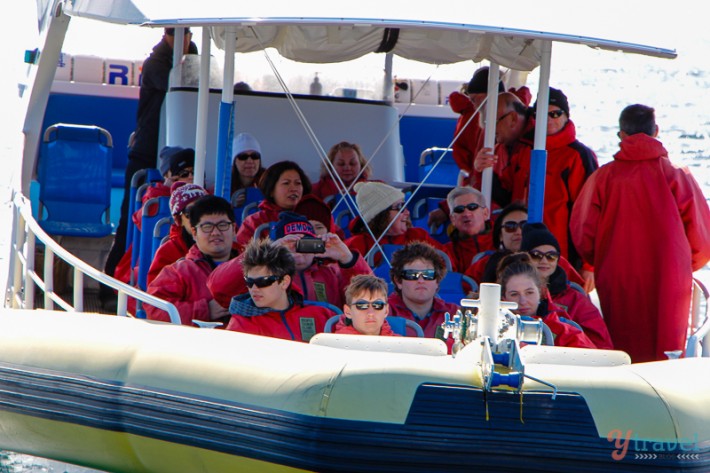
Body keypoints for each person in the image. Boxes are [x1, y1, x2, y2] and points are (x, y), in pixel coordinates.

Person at [571, 104, 710, 362]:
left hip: (617, 273)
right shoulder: (678, 174)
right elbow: (702, 235)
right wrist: (684, 265)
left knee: (622, 348)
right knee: (667, 350)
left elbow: (582, 231)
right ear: (656, 131)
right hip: (669, 275)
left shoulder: (603, 177)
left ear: (621, 135)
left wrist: (596, 260)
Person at [102, 28, 198, 307]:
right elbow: (176, 84)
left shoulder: (194, 60)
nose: (184, 39)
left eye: (187, 33)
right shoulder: (157, 64)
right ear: (167, 35)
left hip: (173, 152)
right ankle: (109, 289)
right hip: (146, 154)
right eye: (177, 33)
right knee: (127, 226)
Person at [496, 88, 598, 278]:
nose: (549, 119)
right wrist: (482, 167)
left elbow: (589, 213)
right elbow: (505, 193)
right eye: (542, 114)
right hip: (520, 248)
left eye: (555, 113)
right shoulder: (522, 149)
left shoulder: (578, 156)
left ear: (566, 116)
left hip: (560, 256)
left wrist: (588, 265)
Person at [209, 211, 371, 309]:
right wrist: (265, 254)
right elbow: (218, 288)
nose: (299, 252)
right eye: (291, 244)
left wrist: (348, 259)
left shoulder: (332, 274)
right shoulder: (262, 277)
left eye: (304, 244)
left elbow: (371, 299)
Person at [146, 195, 236, 325]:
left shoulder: (252, 269)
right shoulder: (178, 272)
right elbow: (154, 309)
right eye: (207, 226)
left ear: (234, 229)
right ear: (194, 233)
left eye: (222, 225)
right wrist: (204, 310)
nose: (215, 232)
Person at [520, 222, 613, 349]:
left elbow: (601, 346)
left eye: (551, 256)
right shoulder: (509, 292)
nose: (544, 261)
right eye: (536, 255)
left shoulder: (575, 299)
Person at [112, 146, 196, 286]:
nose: (190, 178)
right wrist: (170, 191)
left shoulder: (206, 200)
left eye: (195, 173)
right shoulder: (154, 199)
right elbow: (140, 220)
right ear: (168, 175)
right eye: (183, 174)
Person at [226, 239, 336, 342]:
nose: (254, 289)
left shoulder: (322, 314)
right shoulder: (241, 324)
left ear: (284, 282)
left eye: (263, 282)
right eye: (249, 282)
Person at [465, 202, 584, 288]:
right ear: (500, 235)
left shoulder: (553, 260)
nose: (518, 231)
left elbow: (579, 294)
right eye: (510, 227)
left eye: (524, 226)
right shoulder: (484, 264)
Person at [496, 253, 596, 348]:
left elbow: (590, 358)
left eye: (529, 292)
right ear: (503, 298)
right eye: (514, 294)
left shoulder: (562, 331)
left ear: (541, 293)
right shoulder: (491, 328)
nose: (523, 301)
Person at [345, 181, 446, 265]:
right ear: (380, 215)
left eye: (405, 205)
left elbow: (447, 264)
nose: (407, 212)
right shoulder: (356, 245)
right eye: (399, 207)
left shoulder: (418, 237)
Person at [387, 242, 459, 344]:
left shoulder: (455, 314)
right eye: (412, 275)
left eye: (428, 275)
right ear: (398, 281)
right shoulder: (382, 311)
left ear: (437, 281)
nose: (421, 280)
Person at [235, 160, 312, 251]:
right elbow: (244, 257)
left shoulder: (316, 215)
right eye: (286, 183)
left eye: (298, 183)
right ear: (271, 190)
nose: (293, 189)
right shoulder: (255, 222)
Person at [449, 66, 505, 187]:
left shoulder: (476, 120)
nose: (474, 106)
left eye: (474, 100)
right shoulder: (481, 122)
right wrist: (476, 168)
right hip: (480, 182)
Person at [146, 182, 208, 286]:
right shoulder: (168, 252)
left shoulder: (226, 242)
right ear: (179, 219)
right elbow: (157, 296)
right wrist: (204, 303)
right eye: (191, 212)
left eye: (205, 210)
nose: (199, 217)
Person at [442, 186, 493, 273]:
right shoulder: (447, 253)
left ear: (485, 213)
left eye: (472, 207)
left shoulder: (504, 242)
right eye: (459, 209)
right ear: (453, 219)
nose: (466, 214)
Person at [230, 132, 265, 207]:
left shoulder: (271, 182)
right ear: (234, 161)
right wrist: (231, 204)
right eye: (243, 157)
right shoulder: (224, 185)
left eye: (254, 156)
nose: (250, 161)